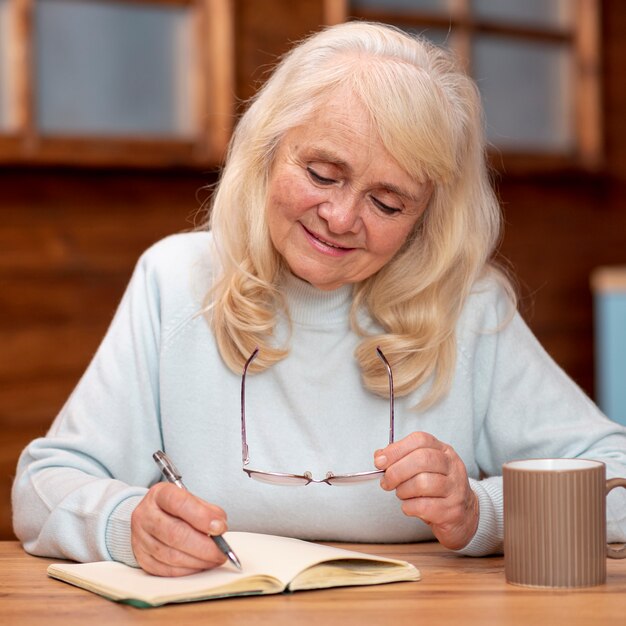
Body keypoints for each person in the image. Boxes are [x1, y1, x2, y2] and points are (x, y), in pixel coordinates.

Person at [12, 21, 626, 577]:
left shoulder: (469, 306)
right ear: (268, 151)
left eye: (388, 203)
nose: (340, 217)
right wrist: (125, 525)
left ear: (426, 219)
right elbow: (41, 486)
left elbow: (617, 479)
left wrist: (479, 512)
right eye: (322, 175)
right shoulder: (174, 279)